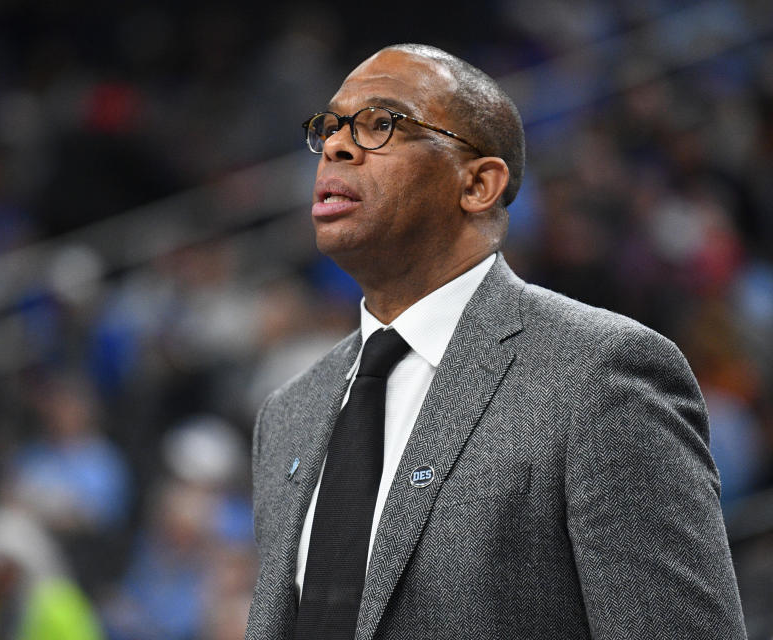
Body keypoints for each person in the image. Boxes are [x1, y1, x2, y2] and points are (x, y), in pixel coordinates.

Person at [245, 43, 747, 640]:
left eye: (381, 124)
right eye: (329, 128)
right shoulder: (287, 415)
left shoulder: (599, 375)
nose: (336, 145)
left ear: (479, 184)